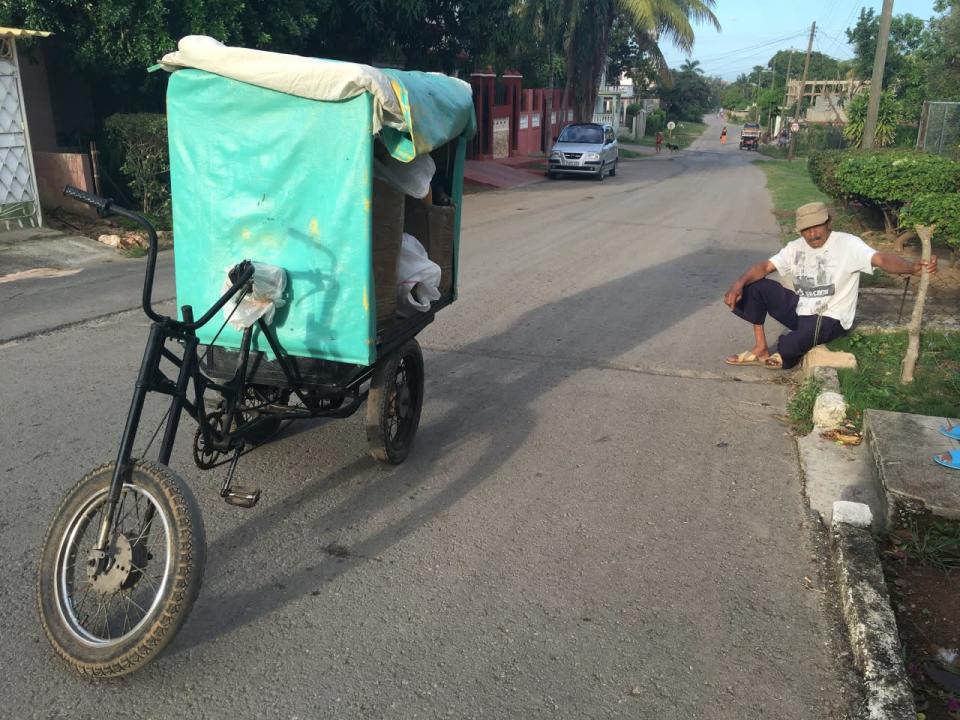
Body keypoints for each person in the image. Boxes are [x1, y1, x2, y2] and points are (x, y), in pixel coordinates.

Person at [723, 201, 938, 369]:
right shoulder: (795, 247)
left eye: (817, 227)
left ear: (829, 223)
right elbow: (765, 266)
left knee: (789, 344)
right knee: (755, 286)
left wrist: (911, 268)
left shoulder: (848, 244)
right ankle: (760, 347)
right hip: (801, 309)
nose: (813, 234)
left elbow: (880, 259)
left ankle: (787, 350)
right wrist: (738, 284)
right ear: (800, 231)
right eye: (806, 229)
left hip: (831, 317)